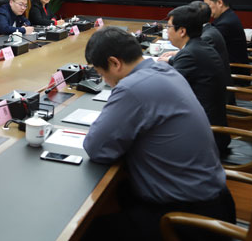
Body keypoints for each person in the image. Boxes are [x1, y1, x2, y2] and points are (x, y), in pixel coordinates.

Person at [82, 27, 235, 241]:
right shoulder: (165, 70)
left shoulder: (131, 88)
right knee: (121, 191)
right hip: (215, 202)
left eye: (101, 74)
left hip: (185, 220)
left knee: (86, 230)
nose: (105, 81)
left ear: (115, 63)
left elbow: (97, 148)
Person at [159, 5, 230, 152]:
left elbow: (166, 91)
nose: (167, 30)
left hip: (205, 135)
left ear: (182, 31)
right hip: (206, 125)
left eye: (169, 26)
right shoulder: (198, 46)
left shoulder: (190, 54)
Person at [202, 0, 249, 66]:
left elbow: (204, 45)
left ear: (220, 3)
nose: (207, 10)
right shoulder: (228, 16)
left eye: (208, 5)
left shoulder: (225, 23)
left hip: (233, 70)